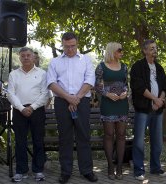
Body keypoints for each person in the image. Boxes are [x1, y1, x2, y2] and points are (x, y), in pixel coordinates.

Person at [47, 32, 98, 183]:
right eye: (66, 46)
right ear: (62, 44)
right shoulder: (54, 62)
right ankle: (65, 172)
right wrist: (69, 98)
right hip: (62, 102)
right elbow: (51, 83)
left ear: (77, 44)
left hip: (81, 101)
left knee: (84, 136)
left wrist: (76, 98)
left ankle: (87, 171)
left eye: (73, 46)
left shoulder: (86, 60)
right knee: (65, 138)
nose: (70, 49)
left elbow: (90, 80)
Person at [7, 47, 49, 182]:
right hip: (19, 111)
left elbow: (45, 94)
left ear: (33, 57)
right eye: (23, 56)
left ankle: (38, 171)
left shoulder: (43, 73)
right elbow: (10, 94)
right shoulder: (13, 74)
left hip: (36, 110)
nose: (26, 58)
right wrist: (21, 108)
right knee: (20, 142)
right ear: (19, 58)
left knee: (38, 141)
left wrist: (32, 107)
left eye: (28, 55)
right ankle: (21, 171)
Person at [130, 40, 166, 181]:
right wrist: (154, 99)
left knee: (157, 141)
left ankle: (156, 168)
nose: (154, 50)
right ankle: (139, 170)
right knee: (139, 141)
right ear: (145, 50)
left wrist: (160, 100)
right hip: (143, 109)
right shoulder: (137, 67)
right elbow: (138, 87)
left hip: (158, 109)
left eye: (156, 48)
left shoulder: (159, 68)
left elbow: (165, 86)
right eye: (152, 48)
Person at [95, 42, 129, 180]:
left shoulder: (125, 66)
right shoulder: (101, 66)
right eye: (119, 50)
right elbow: (96, 85)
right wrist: (107, 94)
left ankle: (119, 166)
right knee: (109, 135)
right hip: (108, 104)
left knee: (121, 135)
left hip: (122, 104)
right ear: (112, 51)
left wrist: (126, 92)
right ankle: (110, 166)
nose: (122, 52)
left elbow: (127, 85)